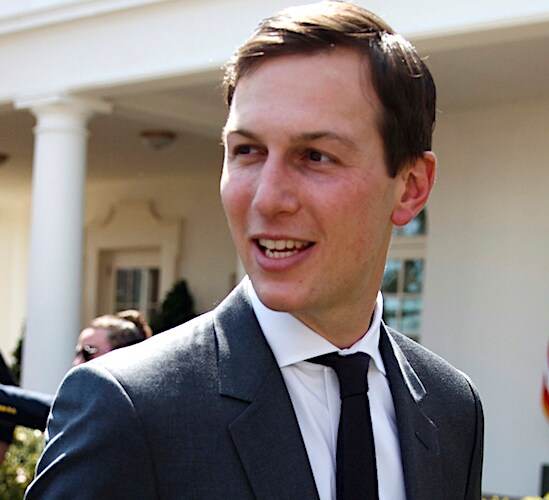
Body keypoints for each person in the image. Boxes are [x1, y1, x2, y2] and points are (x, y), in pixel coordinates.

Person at [25, 2, 484, 499]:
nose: (266, 198)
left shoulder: (452, 408)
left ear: (411, 186)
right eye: (247, 151)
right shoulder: (129, 407)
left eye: (315, 156)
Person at [0, 312, 152, 436]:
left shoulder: (129, 412)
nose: (77, 363)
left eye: (88, 352)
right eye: (77, 354)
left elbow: (53, 411)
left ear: (121, 353)